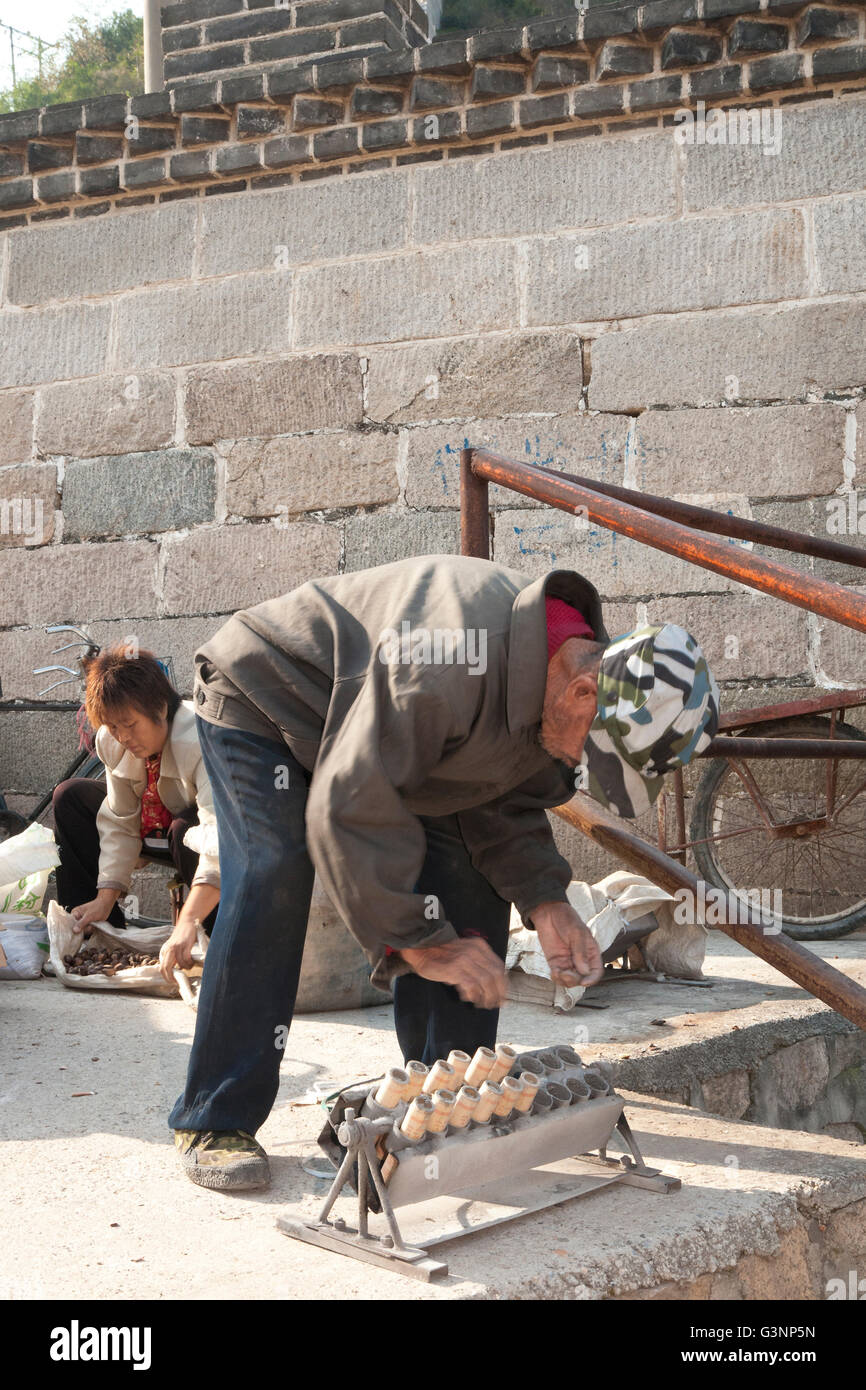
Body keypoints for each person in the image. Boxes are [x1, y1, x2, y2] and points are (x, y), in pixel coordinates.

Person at [168, 553, 720, 1192]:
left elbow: (502, 803)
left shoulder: (554, 686)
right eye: (589, 755)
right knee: (275, 871)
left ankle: (440, 1106)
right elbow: (349, 808)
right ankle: (215, 1117)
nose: (579, 766)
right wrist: (414, 941)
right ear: (581, 690)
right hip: (267, 698)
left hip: (376, 740)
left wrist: (547, 902)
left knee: (465, 873)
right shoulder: (443, 663)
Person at [52, 645, 221, 975]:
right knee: (70, 796)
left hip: (194, 840)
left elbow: (220, 838)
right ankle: (94, 935)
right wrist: (106, 896)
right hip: (151, 829)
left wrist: (187, 921)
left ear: (159, 707)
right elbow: (119, 820)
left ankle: (210, 939)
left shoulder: (199, 737)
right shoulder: (112, 739)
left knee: (187, 827)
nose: (123, 736)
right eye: (114, 726)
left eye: (130, 724)